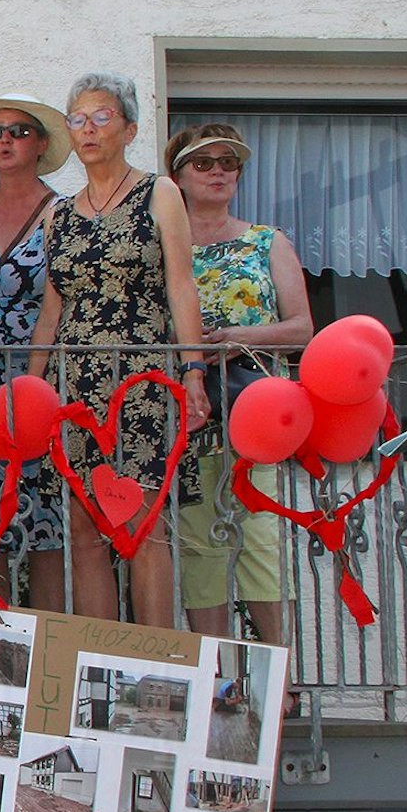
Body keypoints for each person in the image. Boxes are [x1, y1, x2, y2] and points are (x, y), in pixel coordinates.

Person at [28, 72, 210, 628]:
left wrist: (194, 371)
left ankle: (154, 662)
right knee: (84, 527)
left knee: (143, 522)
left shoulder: (159, 192)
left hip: (144, 380)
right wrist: (30, 393)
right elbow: (52, 309)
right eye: (78, 119)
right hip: (77, 382)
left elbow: (182, 285)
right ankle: (100, 662)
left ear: (129, 128)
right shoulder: (58, 212)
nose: (88, 129)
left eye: (101, 116)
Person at [165, 124, 313, 685]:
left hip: (256, 409)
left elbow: (302, 327)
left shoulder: (265, 241)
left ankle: (276, 681)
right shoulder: (166, 245)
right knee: (199, 541)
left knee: (260, 537)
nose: (219, 171)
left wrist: (233, 338)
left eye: (229, 163)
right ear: (178, 177)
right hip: (192, 406)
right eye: (204, 163)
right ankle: (216, 680)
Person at [0, 93, 73, 610]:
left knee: (46, 530)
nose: (5, 140)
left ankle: (45, 653)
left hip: (39, 383)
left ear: (42, 144)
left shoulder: (65, 214)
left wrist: (37, 381)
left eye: (19, 131)